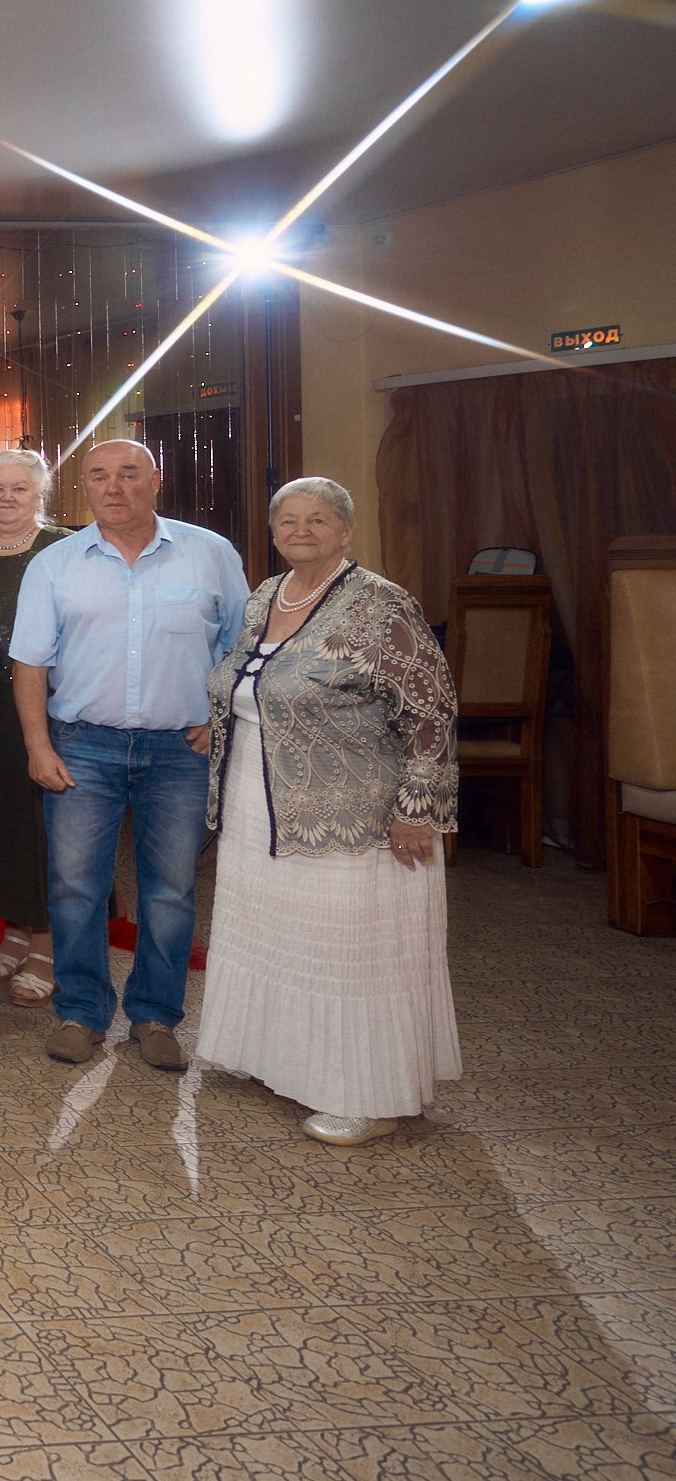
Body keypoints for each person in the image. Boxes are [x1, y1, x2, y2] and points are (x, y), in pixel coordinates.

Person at [198, 478, 461, 1146]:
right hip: (261, 799)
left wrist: (416, 808)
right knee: (281, 937)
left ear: (346, 530)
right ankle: (286, 1064)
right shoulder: (266, 595)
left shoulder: (380, 605)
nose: (302, 528)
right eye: (289, 519)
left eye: (319, 518)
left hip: (353, 814)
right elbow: (253, 675)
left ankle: (369, 1094)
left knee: (349, 952)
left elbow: (431, 710)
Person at [12, 438, 250, 1070]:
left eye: (127, 474)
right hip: (82, 746)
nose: (113, 487)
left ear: (156, 480)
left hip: (181, 751)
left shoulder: (211, 555)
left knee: (170, 892)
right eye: (98, 476)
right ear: (83, 488)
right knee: (74, 888)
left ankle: (156, 1016)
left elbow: (243, 647)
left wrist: (219, 717)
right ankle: (82, 1012)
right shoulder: (55, 564)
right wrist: (38, 745)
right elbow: (29, 661)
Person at [0, 449, 73, 1008]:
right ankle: (11, 928)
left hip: (45, 705)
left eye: (20, 490)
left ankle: (47, 944)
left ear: (40, 497)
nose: (6, 499)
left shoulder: (63, 549)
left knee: (43, 825)